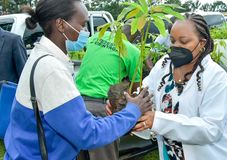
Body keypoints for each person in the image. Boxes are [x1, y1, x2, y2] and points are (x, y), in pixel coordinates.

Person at [3, 0, 152, 159]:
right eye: (82, 25)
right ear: (61, 24)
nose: (86, 32)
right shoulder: (52, 69)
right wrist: (133, 110)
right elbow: (89, 134)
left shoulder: (40, 56)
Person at [133, 13, 227, 160]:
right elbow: (146, 91)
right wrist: (129, 103)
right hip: (171, 154)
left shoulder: (216, 77)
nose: (176, 46)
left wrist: (157, 120)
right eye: (172, 40)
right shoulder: (164, 65)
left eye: (183, 42)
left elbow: (211, 129)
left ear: (202, 43)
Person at [75, 23, 142, 160]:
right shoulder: (133, 51)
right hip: (103, 108)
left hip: (77, 103)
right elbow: (136, 89)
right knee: (104, 155)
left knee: (79, 154)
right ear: (135, 39)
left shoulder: (96, 37)